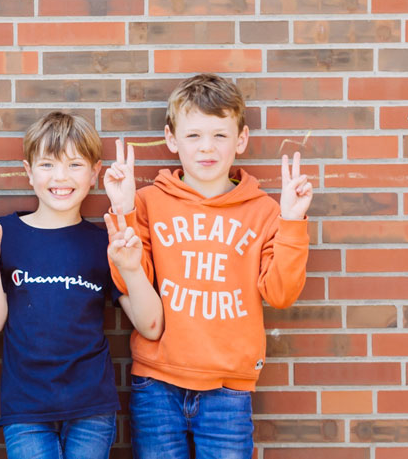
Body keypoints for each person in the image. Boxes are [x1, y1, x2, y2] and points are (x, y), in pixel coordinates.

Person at [105, 74, 314, 458]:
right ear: (172, 140)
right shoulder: (148, 202)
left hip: (228, 390)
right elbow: (131, 280)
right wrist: (123, 211)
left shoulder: (265, 211)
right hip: (157, 384)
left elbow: (281, 295)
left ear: (241, 140)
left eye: (220, 135)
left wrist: (292, 222)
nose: (207, 148)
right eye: (194, 136)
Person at [0, 112, 165, 459]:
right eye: (47, 165)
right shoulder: (4, 234)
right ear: (28, 171)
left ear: (95, 173)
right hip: (26, 407)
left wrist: (132, 270)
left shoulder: (104, 242)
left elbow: (151, 326)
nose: (60, 177)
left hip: (91, 405)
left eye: (74, 165)